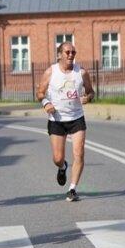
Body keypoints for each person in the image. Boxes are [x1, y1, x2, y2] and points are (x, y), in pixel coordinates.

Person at [36, 41, 94, 202]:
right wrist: (46, 103)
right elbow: (40, 93)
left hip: (76, 118)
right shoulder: (50, 72)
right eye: (67, 52)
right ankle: (62, 167)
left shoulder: (81, 73)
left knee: (79, 152)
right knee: (57, 158)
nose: (70, 55)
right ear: (60, 54)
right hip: (57, 119)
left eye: (73, 52)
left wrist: (87, 97)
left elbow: (91, 91)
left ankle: (72, 189)